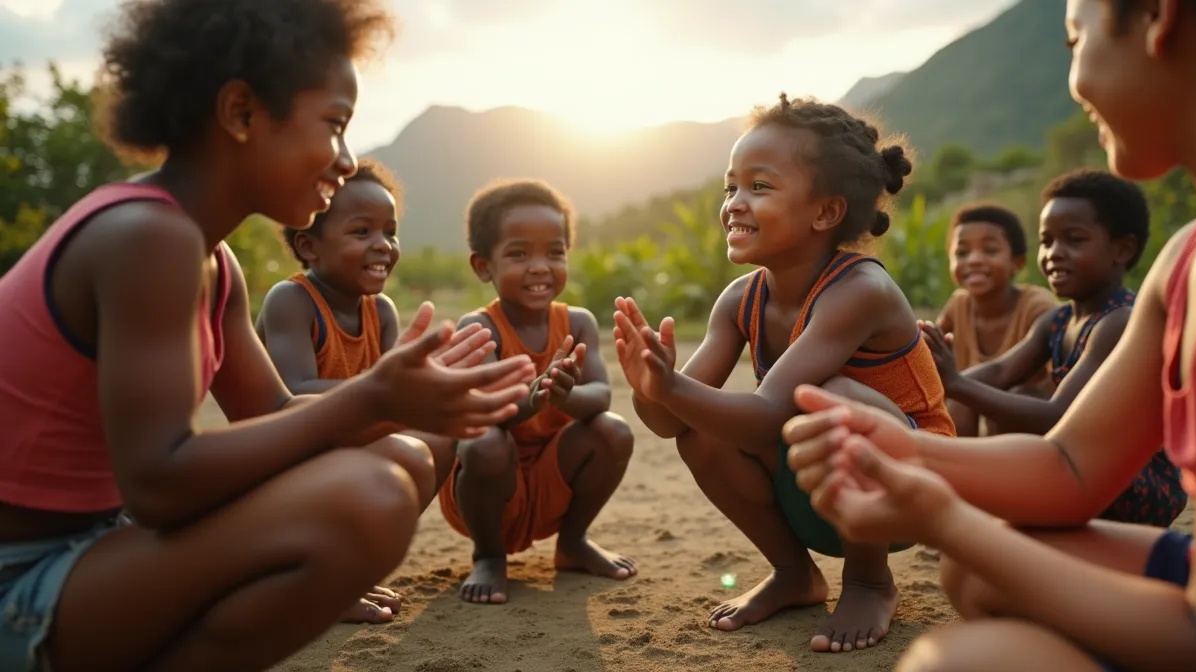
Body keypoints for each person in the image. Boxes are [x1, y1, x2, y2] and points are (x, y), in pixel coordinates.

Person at [0, 1, 537, 670]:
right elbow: (159, 483)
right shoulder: (147, 237)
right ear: (241, 113)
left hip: (92, 546)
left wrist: (405, 401)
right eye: (335, 125)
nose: (345, 159)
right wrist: (372, 399)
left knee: (402, 460)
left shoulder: (211, 260)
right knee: (367, 500)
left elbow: (275, 416)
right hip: (21, 578)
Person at [783, 0, 1196, 668]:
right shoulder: (1190, 253)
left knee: (953, 661)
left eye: (1073, 40)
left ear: (1158, 19)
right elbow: (1071, 465)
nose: (1075, 76)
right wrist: (906, 451)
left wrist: (942, 519)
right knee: (979, 571)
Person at [614, 93, 955, 654]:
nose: (734, 204)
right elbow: (673, 423)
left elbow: (772, 412)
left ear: (824, 212)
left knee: (827, 394)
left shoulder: (859, 291)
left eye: (760, 187)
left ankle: (870, 580)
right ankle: (794, 573)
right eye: (731, 187)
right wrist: (651, 383)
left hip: (912, 487)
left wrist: (674, 388)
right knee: (702, 428)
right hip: (820, 489)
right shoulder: (739, 300)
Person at [256, 159, 475, 624]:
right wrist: (387, 391)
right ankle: (319, 577)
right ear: (308, 246)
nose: (383, 246)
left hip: (348, 440)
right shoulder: (291, 302)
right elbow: (292, 391)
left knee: (438, 439)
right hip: (288, 455)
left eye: (390, 232)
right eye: (362, 232)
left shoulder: (383, 311)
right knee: (406, 448)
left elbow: (397, 396)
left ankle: (352, 564)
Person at [923, 171, 1186, 527]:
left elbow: (1059, 414)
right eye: (1047, 241)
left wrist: (956, 383)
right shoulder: (1057, 320)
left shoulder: (1120, 321)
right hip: (1087, 463)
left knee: (1017, 402)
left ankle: (1016, 517)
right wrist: (929, 385)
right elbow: (1000, 371)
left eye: (1074, 240)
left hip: (1138, 483)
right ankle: (1001, 512)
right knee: (1012, 393)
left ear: (1122, 249)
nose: (1054, 254)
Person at [439, 179, 637, 605]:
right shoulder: (480, 327)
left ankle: (573, 543)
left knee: (613, 431)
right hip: (487, 488)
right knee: (484, 443)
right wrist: (537, 395)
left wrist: (564, 396)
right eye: (518, 253)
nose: (540, 266)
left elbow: (600, 395)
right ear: (483, 266)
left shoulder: (578, 322)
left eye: (554, 252)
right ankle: (489, 556)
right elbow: (487, 414)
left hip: (551, 478)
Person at [935, 203, 1059, 436]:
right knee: (958, 401)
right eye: (962, 253)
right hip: (977, 405)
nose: (973, 260)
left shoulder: (1038, 307)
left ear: (1017, 263)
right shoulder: (958, 305)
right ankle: (957, 461)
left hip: (1035, 421)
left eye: (990, 250)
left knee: (1008, 396)